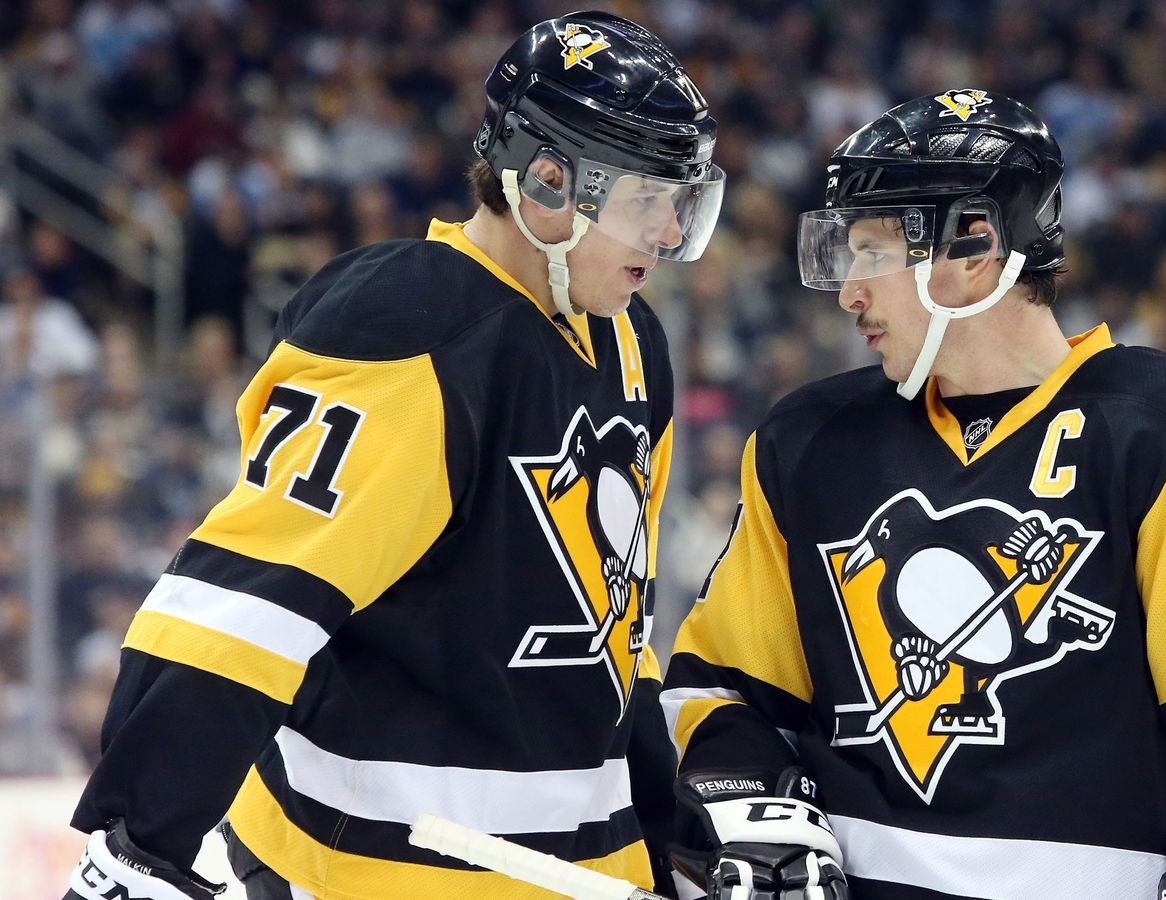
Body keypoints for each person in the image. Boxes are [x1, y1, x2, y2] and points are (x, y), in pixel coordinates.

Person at [65, 11, 724, 899]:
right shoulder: (411, 328)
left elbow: (616, 625)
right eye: (649, 200)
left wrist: (669, 832)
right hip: (373, 867)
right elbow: (248, 604)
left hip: (581, 873)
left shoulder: (634, 342)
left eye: (683, 201)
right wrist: (142, 838)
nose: (671, 233)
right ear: (548, 183)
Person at [661, 91, 1166, 900]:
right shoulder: (811, 441)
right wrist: (757, 817)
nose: (849, 294)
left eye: (873, 253)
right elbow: (727, 688)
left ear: (976, 245)